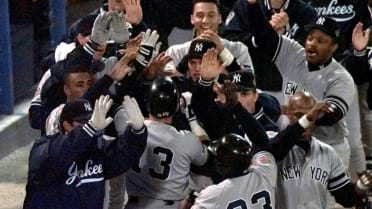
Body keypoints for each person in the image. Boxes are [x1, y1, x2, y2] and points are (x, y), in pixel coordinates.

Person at [242, 0, 356, 170]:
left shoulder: (340, 77)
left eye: (320, 40)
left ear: (333, 47)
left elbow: (331, 116)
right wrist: (252, 6)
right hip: (295, 144)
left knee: (329, 197)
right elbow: (264, 37)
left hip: (329, 147)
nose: (312, 43)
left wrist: (305, 115)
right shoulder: (294, 53)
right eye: (310, 38)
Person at [23, 95, 147, 209]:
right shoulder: (42, 147)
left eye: (91, 120)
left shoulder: (96, 149)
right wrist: (89, 128)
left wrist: (137, 132)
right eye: (83, 123)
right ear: (67, 125)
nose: (92, 126)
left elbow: (124, 156)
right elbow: (59, 153)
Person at [276, 91, 372, 209]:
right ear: (287, 112)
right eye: (299, 115)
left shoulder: (328, 152)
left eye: (311, 115)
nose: (306, 121)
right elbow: (277, 148)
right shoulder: (274, 144)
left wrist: (361, 186)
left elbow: (345, 198)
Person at [124, 77, 209, 209]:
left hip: (133, 203)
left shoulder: (131, 130)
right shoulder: (186, 139)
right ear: (176, 107)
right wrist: (191, 118)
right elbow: (204, 156)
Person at [222, 0, 317, 102]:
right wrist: (261, 35)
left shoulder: (306, 12)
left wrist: (284, 37)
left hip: (291, 87)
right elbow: (229, 40)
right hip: (255, 85)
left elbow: (313, 54)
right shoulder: (243, 6)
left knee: (296, 107)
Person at [165, 0, 254, 76]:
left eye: (211, 15)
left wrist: (223, 51)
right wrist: (190, 54)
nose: (205, 21)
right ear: (192, 19)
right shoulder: (175, 52)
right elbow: (166, 86)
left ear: (219, 18)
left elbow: (250, 87)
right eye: (200, 15)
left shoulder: (238, 50)